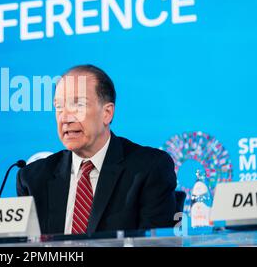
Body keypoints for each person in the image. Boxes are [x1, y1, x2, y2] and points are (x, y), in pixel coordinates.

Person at [16, 64, 177, 235]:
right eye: (59, 107)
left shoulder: (148, 169)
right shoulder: (33, 178)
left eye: (77, 105)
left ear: (107, 113)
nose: (65, 118)